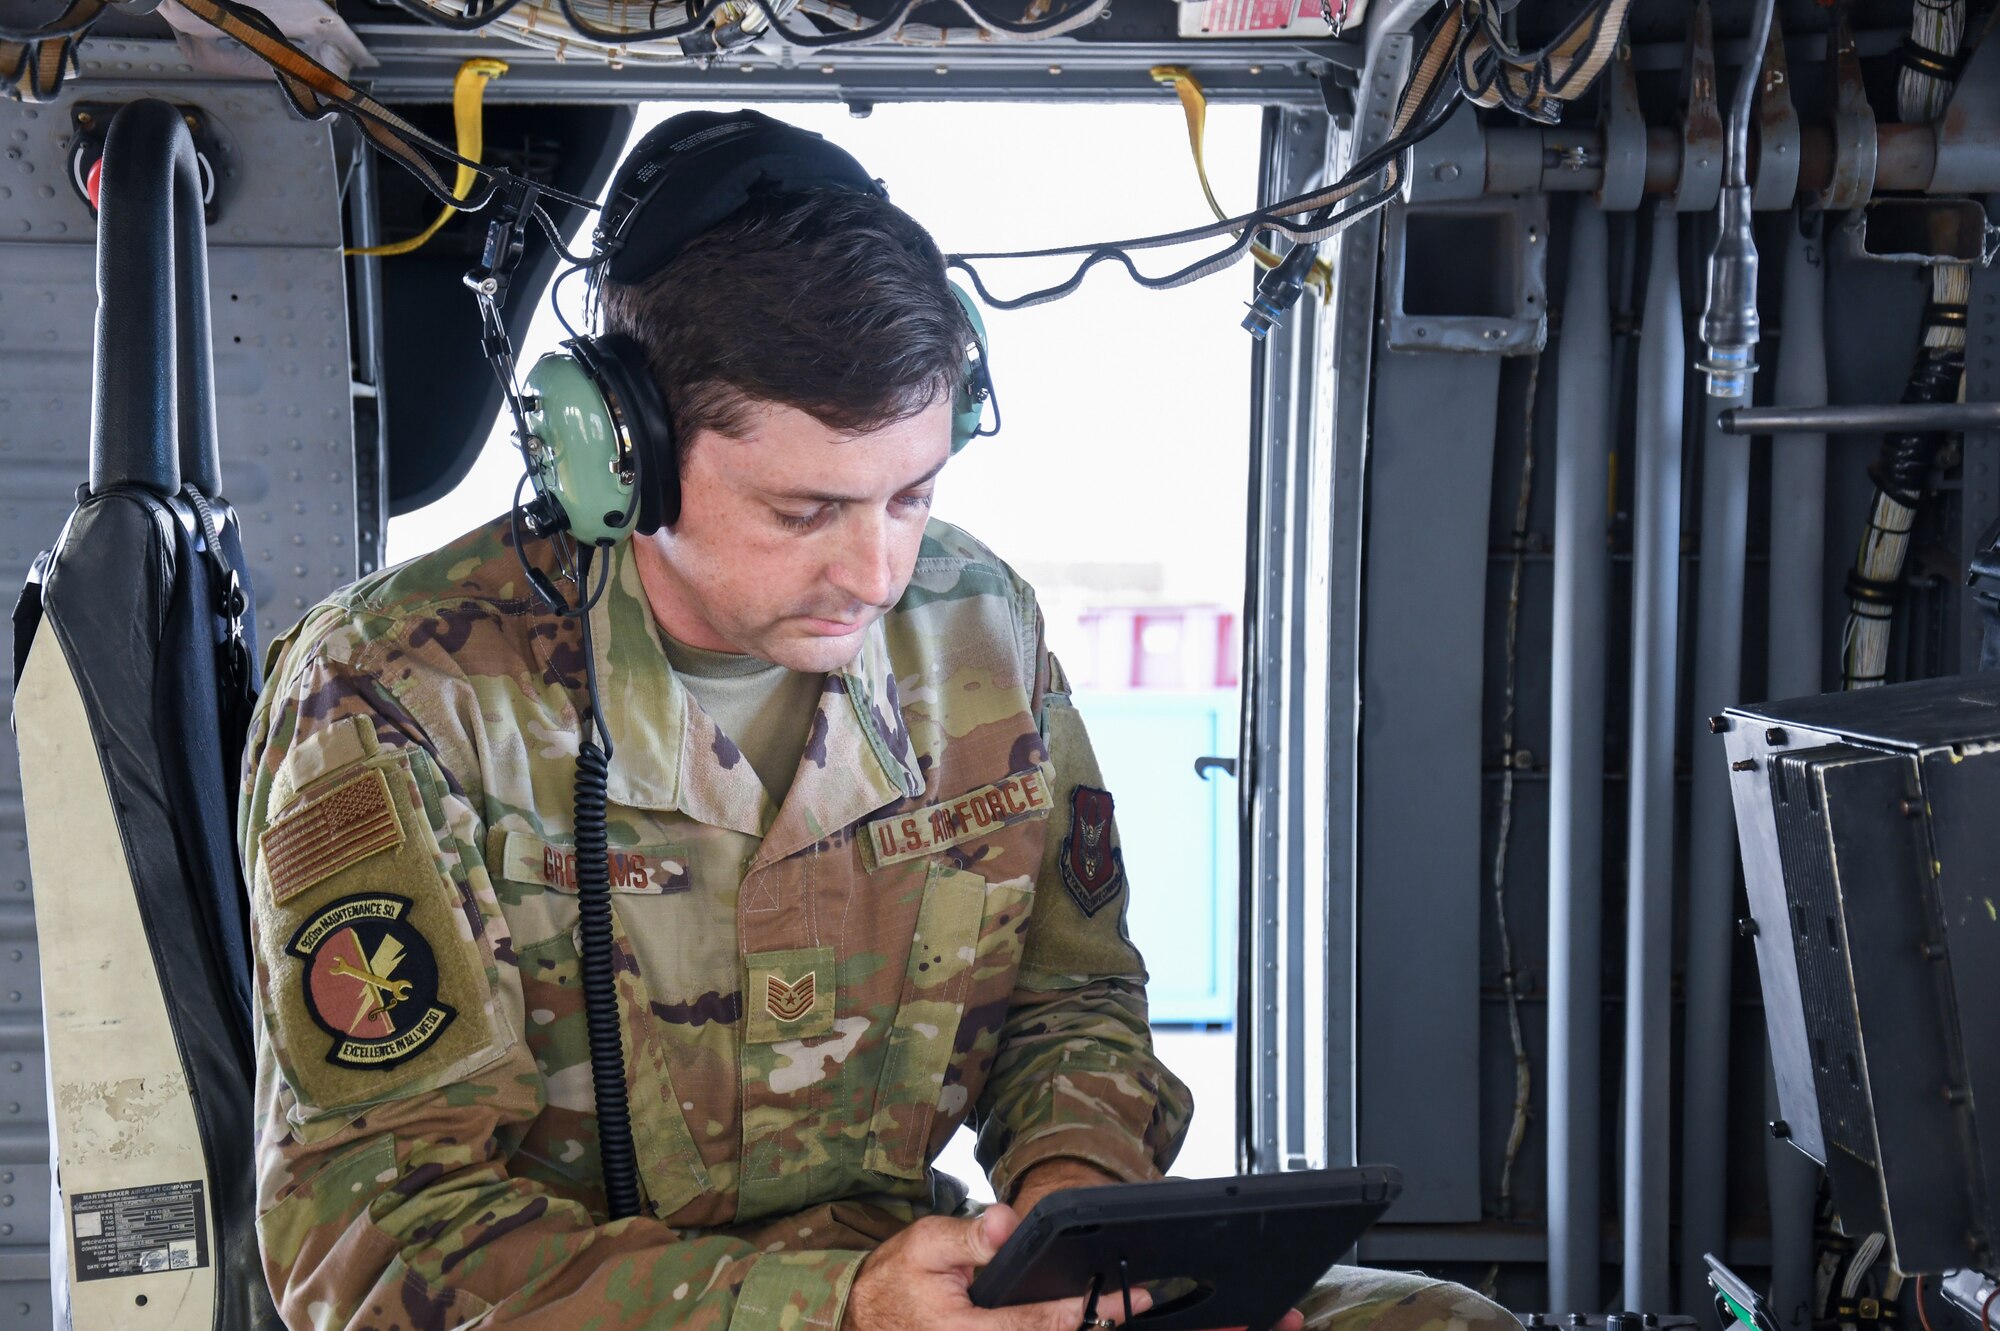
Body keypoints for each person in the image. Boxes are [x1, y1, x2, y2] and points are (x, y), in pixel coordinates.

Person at [237, 109, 1523, 1331]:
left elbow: (1069, 1001)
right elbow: (373, 1237)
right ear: (617, 456)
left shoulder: (974, 624)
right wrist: (830, 1310)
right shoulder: (398, 697)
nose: (878, 570)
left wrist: (1076, 1218)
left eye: (911, 493)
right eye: (806, 513)